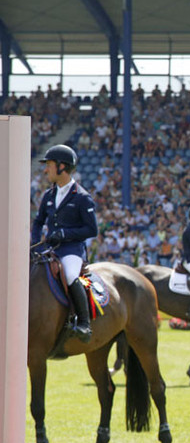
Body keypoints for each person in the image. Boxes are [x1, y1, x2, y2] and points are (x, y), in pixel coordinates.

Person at [31, 144, 98, 343]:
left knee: (70, 275)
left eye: (49, 165)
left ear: (62, 167)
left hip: (71, 251)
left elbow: (91, 230)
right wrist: (35, 244)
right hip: (49, 249)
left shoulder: (82, 198)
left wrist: (65, 234)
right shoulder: (48, 195)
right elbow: (38, 222)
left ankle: (84, 323)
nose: (45, 169)